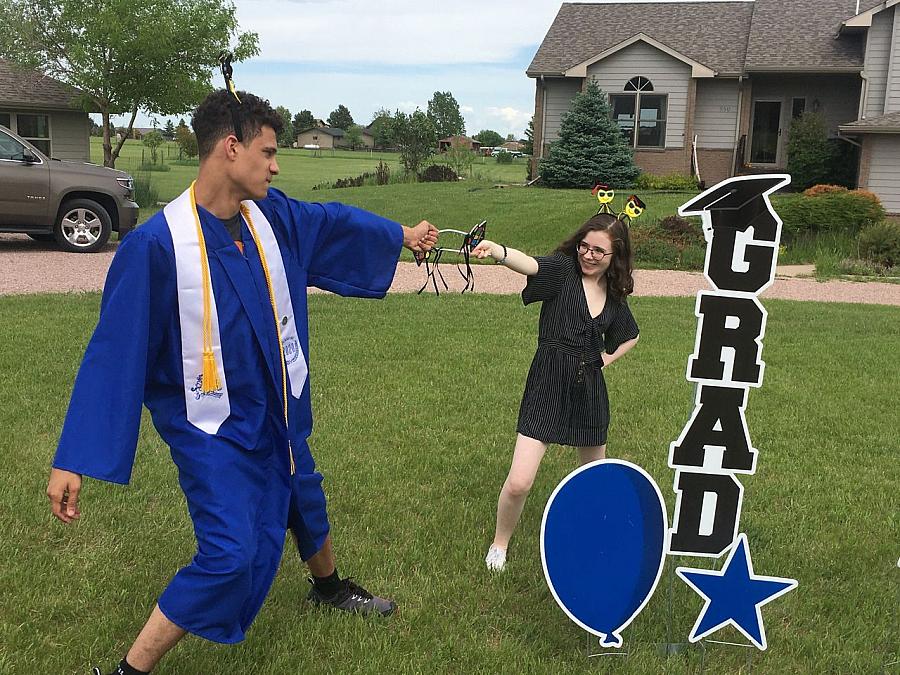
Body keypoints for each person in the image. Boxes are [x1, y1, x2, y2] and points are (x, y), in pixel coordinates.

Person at [45, 89, 438, 675]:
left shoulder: (269, 218)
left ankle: (327, 587)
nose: (276, 165)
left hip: (275, 406)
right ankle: (129, 670)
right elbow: (113, 352)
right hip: (211, 426)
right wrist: (72, 457)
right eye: (269, 151)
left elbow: (331, 220)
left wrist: (400, 234)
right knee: (231, 555)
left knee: (305, 489)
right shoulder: (158, 246)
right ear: (232, 148)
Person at [471, 213, 640, 572]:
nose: (588, 255)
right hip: (548, 381)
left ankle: (593, 540)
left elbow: (630, 334)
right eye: (584, 246)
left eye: (599, 250)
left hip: (590, 390)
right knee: (519, 482)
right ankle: (499, 544)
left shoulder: (613, 293)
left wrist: (605, 360)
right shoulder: (563, 271)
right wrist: (499, 250)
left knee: (594, 479)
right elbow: (531, 265)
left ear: (615, 256)